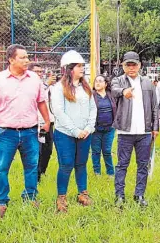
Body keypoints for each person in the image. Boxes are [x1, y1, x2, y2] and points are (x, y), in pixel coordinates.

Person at [0, 44, 50, 218]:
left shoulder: (34, 79)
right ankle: (1, 200)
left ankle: (30, 196)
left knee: (32, 166)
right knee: (1, 167)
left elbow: (41, 102)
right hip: (6, 132)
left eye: (27, 57)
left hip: (30, 132)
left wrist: (47, 121)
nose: (27, 60)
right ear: (11, 59)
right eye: (22, 57)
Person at [111, 51, 159, 207]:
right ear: (123, 66)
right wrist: (124, 92)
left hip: (144, 132)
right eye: (128, 65)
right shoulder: (118, 81)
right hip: (125, 131)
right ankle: (119, 195)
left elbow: (154, 107)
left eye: (134, 65)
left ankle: (139, 195)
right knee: (122, 164)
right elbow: (114, 90)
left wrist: (155, 127)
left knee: (143, 165)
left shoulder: (147, 83)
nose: (131, 68)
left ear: (139, 65)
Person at [51, 51, 97, 211]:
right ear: (69, 69)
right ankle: (61, 197)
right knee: (66, 164)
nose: (82, 68)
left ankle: (82, 193)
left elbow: (93, 108)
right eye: (79, 66)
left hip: (85, 133)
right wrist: (75, 130)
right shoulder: (58, 88)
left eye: (82, 66)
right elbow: (58, 112)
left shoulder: (85, 87)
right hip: (65, 134)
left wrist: (89, 128)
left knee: (81, 164)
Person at [28, 63, 57, 183]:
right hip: (37, 123)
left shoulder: (45, 85)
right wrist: (46, 84)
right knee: (38, 150)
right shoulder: (28, 85)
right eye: (36, 71)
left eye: (41, 71)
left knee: (48, 150)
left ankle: (42, 171)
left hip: (49, 122)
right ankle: (36, 176)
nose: (39, 74)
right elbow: (35, 98)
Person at [90, 75, 117, 176]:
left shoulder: (111, 95)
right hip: (95, 129)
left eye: (100, 81)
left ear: (106, 84)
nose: (97, 83)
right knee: (96, 151)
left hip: (109, 128)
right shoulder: (91, 95)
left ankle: (110, 173)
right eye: (96, 81)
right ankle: (97, 172)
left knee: (107, 151)